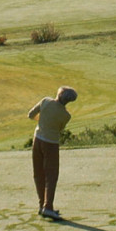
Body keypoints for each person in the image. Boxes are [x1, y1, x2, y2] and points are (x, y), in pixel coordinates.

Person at [28, 85, 77, 219]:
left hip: (37, 140)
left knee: (39, 173)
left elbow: (31, 115)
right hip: (51, 143)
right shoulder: (66, 115)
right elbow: (59, 129)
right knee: (51, 175)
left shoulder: (45, 101)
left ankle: (41, 205)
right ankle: (47, 207)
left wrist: (42, 120)